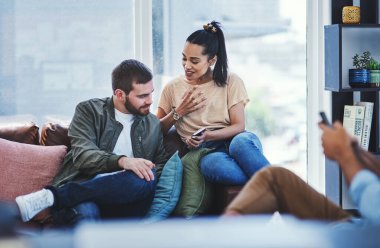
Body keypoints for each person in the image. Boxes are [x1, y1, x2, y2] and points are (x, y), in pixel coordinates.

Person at [14, 59, 168, 225]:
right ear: (120, 94)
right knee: (86, 213)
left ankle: (52, 197)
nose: (150, 100)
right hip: (85, 192)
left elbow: (159, 165)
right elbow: (83, 156)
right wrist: (123, 162)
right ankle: (63, 199)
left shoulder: (152, 124)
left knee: (146, 179)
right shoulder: (89, 111)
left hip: (126, 199)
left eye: (151, 92)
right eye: (142, 96)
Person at [156, 21, 270, 185]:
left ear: (212, 60)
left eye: (194, 61)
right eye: (184, 58)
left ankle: (277, 187)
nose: (187, 66)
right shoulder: (172, 88)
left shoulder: (231, 81)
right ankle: (270, 186)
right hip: (208, 152)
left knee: (240, 143)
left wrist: (208, 134)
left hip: (236, 140)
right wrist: (179, 112)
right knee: (211, 165)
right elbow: (156, 131)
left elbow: (239, 126)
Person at [224, 121, 380, 226]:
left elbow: (374, 207)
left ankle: (218, 238)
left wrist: (345, 153)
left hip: (357, 237)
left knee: (241, 149)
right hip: (360, 226)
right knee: (275, 176)